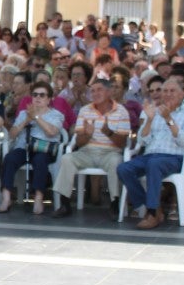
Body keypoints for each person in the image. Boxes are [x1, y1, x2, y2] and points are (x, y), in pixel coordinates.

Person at [116, 78, 184, 230]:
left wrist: (169, 119)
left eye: (172, 91)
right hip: (150, 156)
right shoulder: (155, 112)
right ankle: (153, 207)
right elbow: (143, 140)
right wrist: (149, 120)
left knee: (154, 164)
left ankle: (153, 213)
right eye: (165, 91)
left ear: (182, 94)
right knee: (123, 168)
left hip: (174, 157)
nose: (167, 94)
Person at [51, 78, 132, 217]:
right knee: (67, 158)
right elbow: (79, 143)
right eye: (92, 91)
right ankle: (65, 204)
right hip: (87, 151)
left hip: (110, 152)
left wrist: (108, 132)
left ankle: (114, 204)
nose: (95, 93)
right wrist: (87, 135)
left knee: (116, 162)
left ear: (109, 92)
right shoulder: (85, 110)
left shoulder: (121, 111)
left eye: (99, 89)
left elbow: (123, 144)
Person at [0, 84, 64, 214]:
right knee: (9, 158)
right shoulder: (23, 113)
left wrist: (36, 118)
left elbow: (51, 132)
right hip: (24, 148)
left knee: (40, 161)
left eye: (42, 95)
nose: (38, 97)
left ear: (49, 99)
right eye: (35, 94)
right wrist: (26, 120)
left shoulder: (57, 115)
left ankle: (38, 198)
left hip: (44, 149)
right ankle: (6, 197)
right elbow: (12, 134)